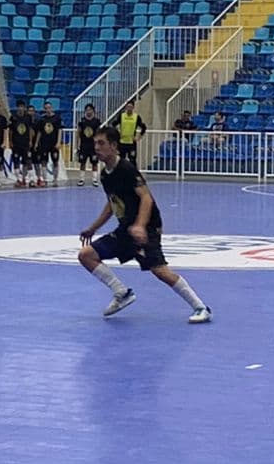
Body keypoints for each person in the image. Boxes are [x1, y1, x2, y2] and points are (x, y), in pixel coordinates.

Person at [78, 127, 210, 323]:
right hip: (126, 229)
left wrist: (140, 225)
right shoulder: (105, 174)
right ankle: (121, 293)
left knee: (160, 271)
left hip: (146, 228)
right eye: (95, 143)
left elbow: (146, 198)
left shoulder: (126, 169)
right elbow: (112, 204)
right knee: (86, 255)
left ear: (114, 146)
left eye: (101, 143)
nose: (96, 148)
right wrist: (93, 227)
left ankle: (201, 307)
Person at [35, 101, 63, 185]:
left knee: (55, 161)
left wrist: (58, 142)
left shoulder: (57, 118)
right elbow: (39, 132)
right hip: (44, 143)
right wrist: (36, 142)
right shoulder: (42, 120)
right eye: (46, 108)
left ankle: (55, 179)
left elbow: (59, 130)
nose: (48, 110)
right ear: (44, 109)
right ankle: (45, 179)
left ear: (52, 108)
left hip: (54, 143)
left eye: (49, 108)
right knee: (43, 161)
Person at [9, 101, 36, 188]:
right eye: (19, 107)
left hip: (25, 143)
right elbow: (11, 131)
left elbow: (30, 130)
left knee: (28, 161)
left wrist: (31, 141)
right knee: (16, 162)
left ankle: (31, 179)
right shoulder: (13, 118)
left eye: (22, 107)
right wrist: (10, 141)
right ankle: (19, 179)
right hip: (16, 143)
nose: (20, 108)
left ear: (24, 108)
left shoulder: (28, 117)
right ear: (17, 108)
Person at [113, 101, 146, 167]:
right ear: (126, 107)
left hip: (131, 143)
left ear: (133, 107)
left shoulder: (136, 117)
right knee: (121, 160)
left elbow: (144, 127)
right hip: (122, 142)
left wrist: (138, 137)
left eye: (131, 107)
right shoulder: (122, 116)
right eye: (128, 107)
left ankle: (133, 175)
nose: (129, 108)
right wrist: (117, 134)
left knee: (132, 160)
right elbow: (113, 124)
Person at [75, 105, 100, 185]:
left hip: (93, 145)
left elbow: (98, 133)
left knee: (94, 162)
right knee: (82, 162)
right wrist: (77, 144)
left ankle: (95, 179)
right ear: (85, 111)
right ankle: (81, 179)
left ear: (93, 111)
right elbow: (78, 133)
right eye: (87, 110)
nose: (88, 111)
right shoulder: (82, 122)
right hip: (84, 145)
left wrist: (98, 145)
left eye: (90, 110)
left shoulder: (96, 121)